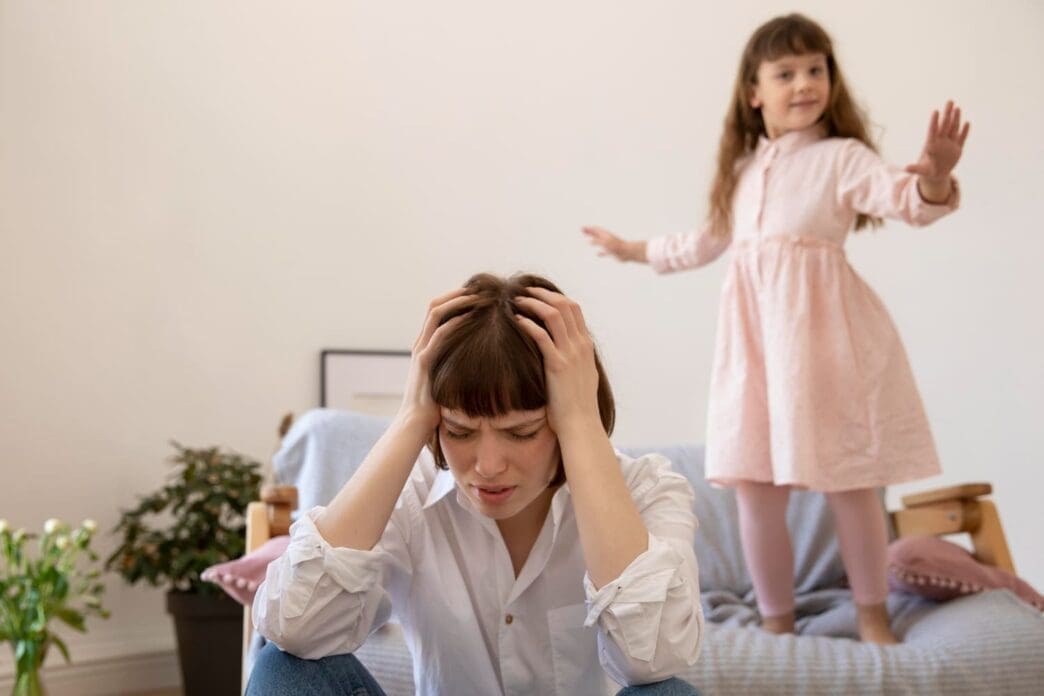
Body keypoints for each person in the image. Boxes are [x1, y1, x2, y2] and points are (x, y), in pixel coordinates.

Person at [583, 13, 969, 645]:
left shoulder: (841, 157)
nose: (804, 83)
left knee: (850, 481)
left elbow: (902, 199)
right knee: (754, 488)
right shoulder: (741, 173)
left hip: (827, 346)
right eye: (786, 72)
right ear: (753, 91)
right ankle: (775, 622)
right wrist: (632, 249)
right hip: (755, 355)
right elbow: (702, 242)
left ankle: (874, 617)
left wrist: (931, 176)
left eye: (816, 69)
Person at [248, 273, 704, 695]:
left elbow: (655, 659)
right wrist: (412, 418)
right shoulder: (413, 492)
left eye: (521, 433)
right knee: (285, 666)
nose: (486, 466)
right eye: (460, 431)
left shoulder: (647, 489)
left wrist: (583, 420)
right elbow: (295, 627)